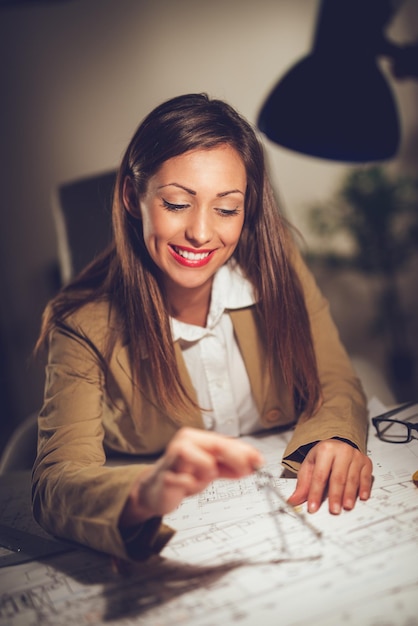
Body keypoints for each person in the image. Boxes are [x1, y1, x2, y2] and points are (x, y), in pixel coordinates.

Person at [32, 93, 372, 561]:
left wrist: (334, 435)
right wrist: (141, 493)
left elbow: (335, 377)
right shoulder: (82, 324)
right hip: (189, 537)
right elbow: (56, 479)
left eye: (226, 209)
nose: (200, 233)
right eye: (176, 203)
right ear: (134, 197)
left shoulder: (281, 269)